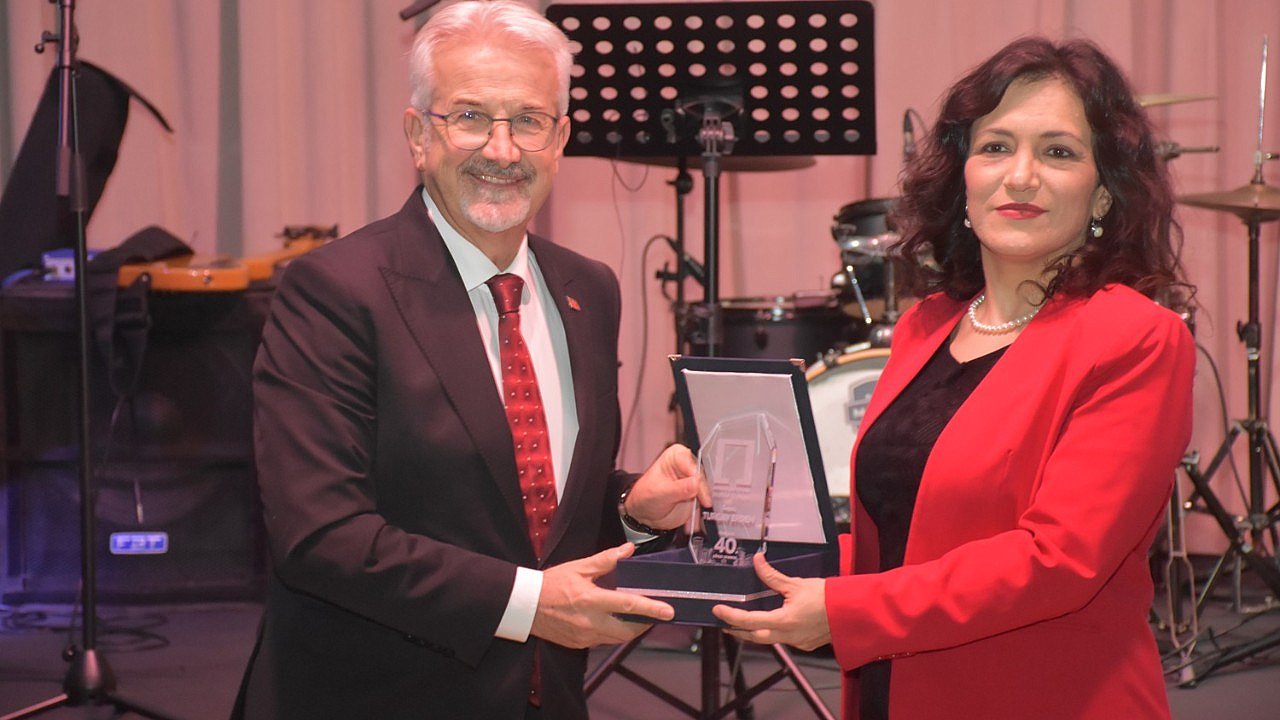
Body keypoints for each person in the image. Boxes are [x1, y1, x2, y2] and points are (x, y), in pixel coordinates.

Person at [231, 2, 703, 718]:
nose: (502, 150)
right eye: (471, 117)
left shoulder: (589, 289)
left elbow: (529, 513)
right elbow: (321, 535)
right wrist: (531, 604)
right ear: (419, 135)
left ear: (560, 139)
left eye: (528, 120)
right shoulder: (334, 290)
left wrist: (631, 509)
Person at [713, 37, 1195, 720]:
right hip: (891, 692)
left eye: (1058, 152)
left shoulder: (1136, 337)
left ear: (1103, 192)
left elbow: (1059, 560)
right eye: (995, 147)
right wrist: (742, 547)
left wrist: (848, 610)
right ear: (963, 177)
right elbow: (896, 537)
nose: (1020, 176)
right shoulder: (926, 325)